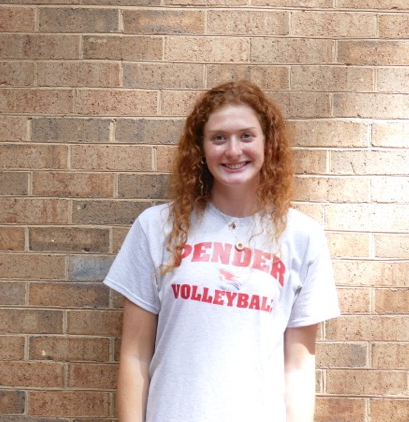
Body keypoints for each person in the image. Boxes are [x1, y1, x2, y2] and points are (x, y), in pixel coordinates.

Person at [104, 80, 340, 422]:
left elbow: (299, 368)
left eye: (246, 136)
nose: (233, 150)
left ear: (268, 143)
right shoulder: (156, 227)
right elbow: (134, 355)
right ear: (200, 148)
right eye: (218, 138)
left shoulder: (302, 237)